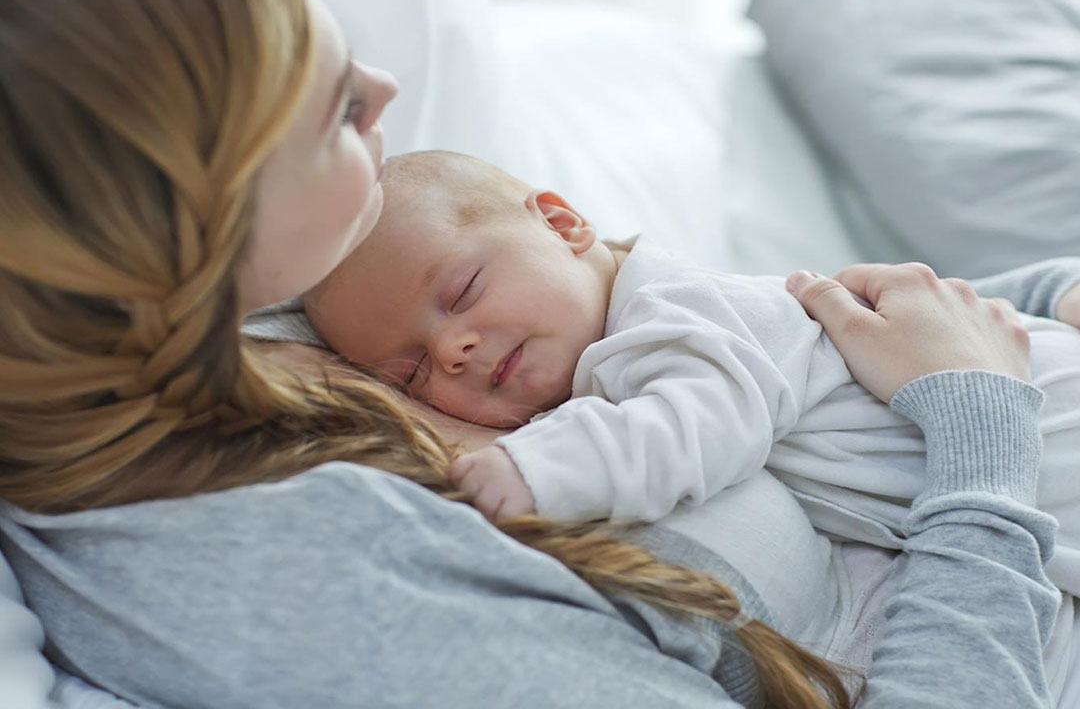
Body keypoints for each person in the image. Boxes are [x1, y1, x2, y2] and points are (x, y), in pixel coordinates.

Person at [0, 0, 1065, 707]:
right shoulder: (296, 572)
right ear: (177, 218)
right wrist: (979, 429)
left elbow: (766, 325)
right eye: (326, 111)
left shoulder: (299, 296)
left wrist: (1025, 303)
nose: (384, 91)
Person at [304, 150, 1080, 593]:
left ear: (565, 224)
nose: (452, 352)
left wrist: (527, 470)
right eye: (409, 374)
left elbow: (705, 422)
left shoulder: (674, 313)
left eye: (461, 293)